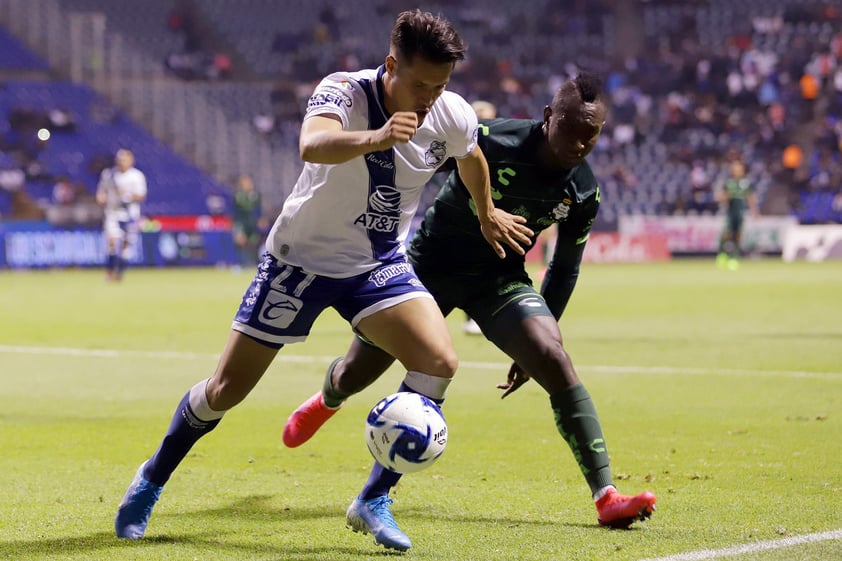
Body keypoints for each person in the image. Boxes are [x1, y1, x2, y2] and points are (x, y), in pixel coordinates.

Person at [113, 10, 531, 541]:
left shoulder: (450, 114)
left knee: (439, 361)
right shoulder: (344, 92)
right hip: (299, 260)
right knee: (226, 390)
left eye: (441, 85)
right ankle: (151, 478)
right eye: (421, 83)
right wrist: (378, 137)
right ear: (391, 66)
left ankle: (374, 498)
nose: (430, 96)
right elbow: (312, 144)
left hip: (376, 263)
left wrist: (486, 210)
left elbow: (471, 156)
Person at [283, 72, 657, 551]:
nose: (580, 142)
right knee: (359, 369)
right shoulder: (493, 138)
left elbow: (564, 269)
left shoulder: (583, 192)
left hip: (497, 279)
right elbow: (418, 166)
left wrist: (540, 340)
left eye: (593, 133)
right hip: (427, 267)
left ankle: (606, 495)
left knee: (554, 358)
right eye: (570, 127)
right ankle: (329, 398)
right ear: (548, 117)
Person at [463, 99, 498, 335]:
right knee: (466, 264)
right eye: (478, 114)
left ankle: (491, 315)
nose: (482, 118)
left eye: (486, 114)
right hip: (464, 214)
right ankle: (471, 317)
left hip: (495, 213)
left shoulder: (504, 146)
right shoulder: (461, 144)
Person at [95, 149, 147, 281]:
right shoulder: (109, 175)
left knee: (126, 244)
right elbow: (101, 192)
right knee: (112, 241)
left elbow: (141, 196)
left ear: (131, 161)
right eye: (119, 159)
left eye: (124, 160)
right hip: (113, 212)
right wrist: (101, 198)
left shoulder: (137, 176)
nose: (121, 162)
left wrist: (126, 195)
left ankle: (120, 273)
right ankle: (109, 271)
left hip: (130, 214)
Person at [715, 159, 759, 270]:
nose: (736, 170)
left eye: (738, 167)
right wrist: (724, 197)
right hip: (730, 213)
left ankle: (734, 258)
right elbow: (720, 197)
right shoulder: (729, 182)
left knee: (738, 235)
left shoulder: (746, 182)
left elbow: (750, 197)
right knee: (726, 234)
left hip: (740, 213)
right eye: (734, 167)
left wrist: (755, 211)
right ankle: (722, 255)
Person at [230, 173, 265, 269]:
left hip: (252, 223)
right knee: (241, 241)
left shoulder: (256, 195)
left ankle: (252, 263)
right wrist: (234, 225)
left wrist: (261, 219)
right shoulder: (237, 195)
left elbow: (259, 209)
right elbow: (233, 211)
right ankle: (239, 263)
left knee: (253, 242)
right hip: (241, 223)